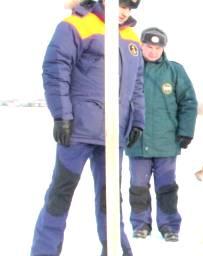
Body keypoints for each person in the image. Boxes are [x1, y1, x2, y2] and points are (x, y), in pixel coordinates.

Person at [31, 0, 144, 255]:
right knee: (61, 194)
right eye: (121, 4)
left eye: (130, 6)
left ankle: (117, 250)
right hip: (78, 130)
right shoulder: (76, 24)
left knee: (111, 199)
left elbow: (137, 84)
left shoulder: (130, 37)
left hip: (113, 135)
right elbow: (55, 68)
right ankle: (44, 251)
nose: (124, 11)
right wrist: (62, 116)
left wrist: (138, 120)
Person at [125, 27, 198, 242]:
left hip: (166, 142)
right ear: (141, 45)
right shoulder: (129, 69)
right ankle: (140, 224)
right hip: (136, 141)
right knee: (138, 186)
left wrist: (186, 131)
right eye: (149, 46)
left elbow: (188, 102)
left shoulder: (175, 71)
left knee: (166, 187)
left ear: (163, 48)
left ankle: (169, 226)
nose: (153, 51)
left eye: (158, 48)